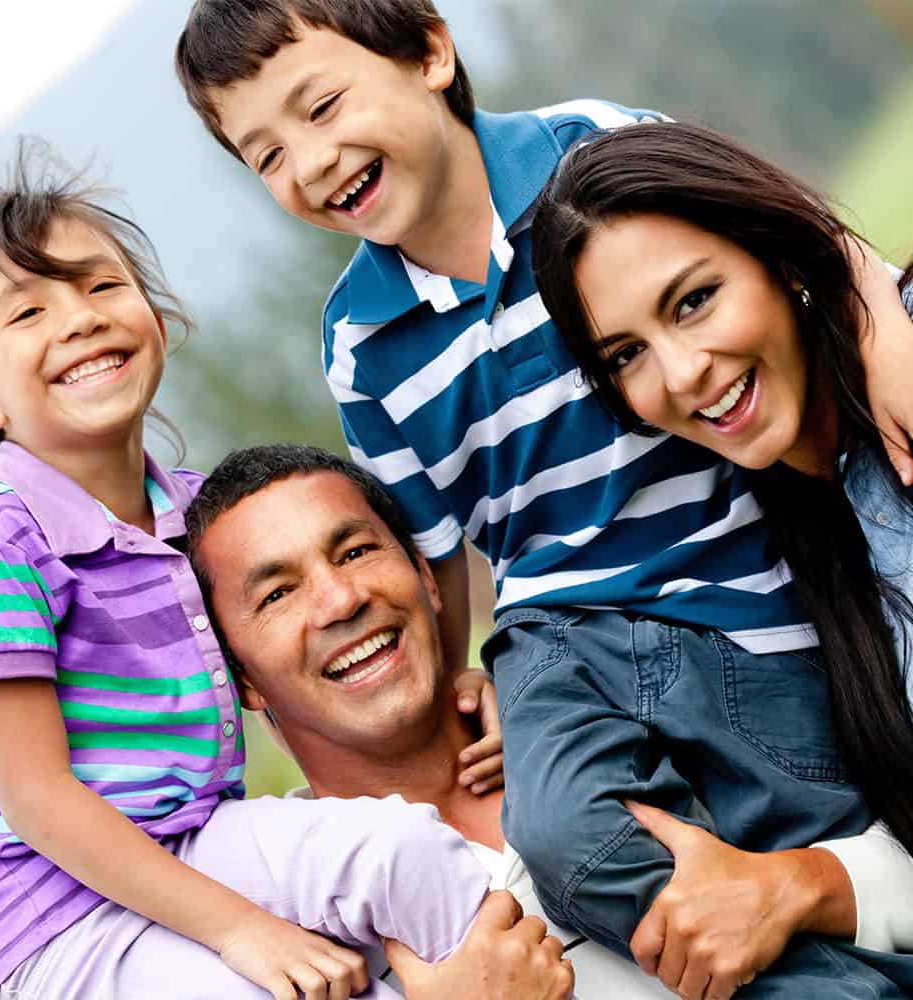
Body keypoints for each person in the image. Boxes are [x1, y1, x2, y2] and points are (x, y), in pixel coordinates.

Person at [175, 0, 913, 989]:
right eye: (263, 154)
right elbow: (427, 551)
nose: (307, 163)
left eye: (321, 108)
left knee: (808, 805)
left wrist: (877, 316)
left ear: (431, 52)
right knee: (564, 835)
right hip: (555, 630)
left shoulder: (593, 152)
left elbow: (778, 225)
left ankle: (846, 939)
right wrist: (451, 688)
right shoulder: (361, 347)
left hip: (734, 587)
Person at [0, 150, 574, 1000]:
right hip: (56, 915)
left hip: (191, 841)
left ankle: (524, 978)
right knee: (308, 984)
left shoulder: (190, 517)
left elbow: (284, 666)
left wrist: (462, 681)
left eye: (100, 287)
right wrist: (243, 929)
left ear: (159, 321)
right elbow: (36, 799)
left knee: (402, 850)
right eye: (29, 313)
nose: (78, 320)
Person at [530, 120, 913, 997]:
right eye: (626, 354)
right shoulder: (782, 552)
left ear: (776, 255)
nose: (685, 371)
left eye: (693, 300)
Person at [185, 442, 676, 999]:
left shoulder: (619, 700)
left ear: (426, 574)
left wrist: (790, 887)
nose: (341, 601)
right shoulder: (280, 934)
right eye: (277, 594)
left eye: (354, 552)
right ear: (241, 679)